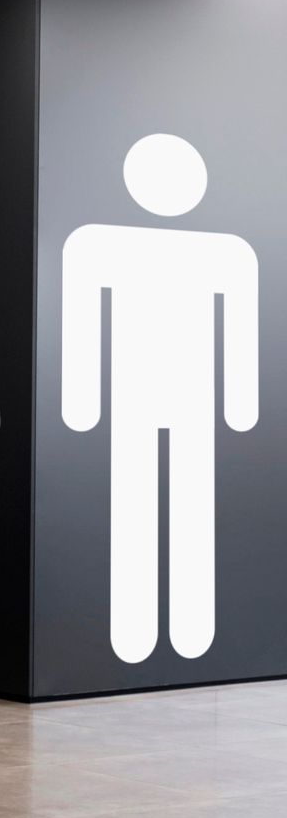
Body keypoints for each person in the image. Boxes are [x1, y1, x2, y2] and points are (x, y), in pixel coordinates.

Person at [62, 133, 258, 663]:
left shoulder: (223, 253)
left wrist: (83, 403)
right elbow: (82, 324)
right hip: (143, 400)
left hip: (175, 402)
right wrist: (82, 399)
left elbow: (240, 332)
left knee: (177, 505)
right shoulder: (102, 245)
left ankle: (182, 629)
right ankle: (142, 630)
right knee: (142, 504)